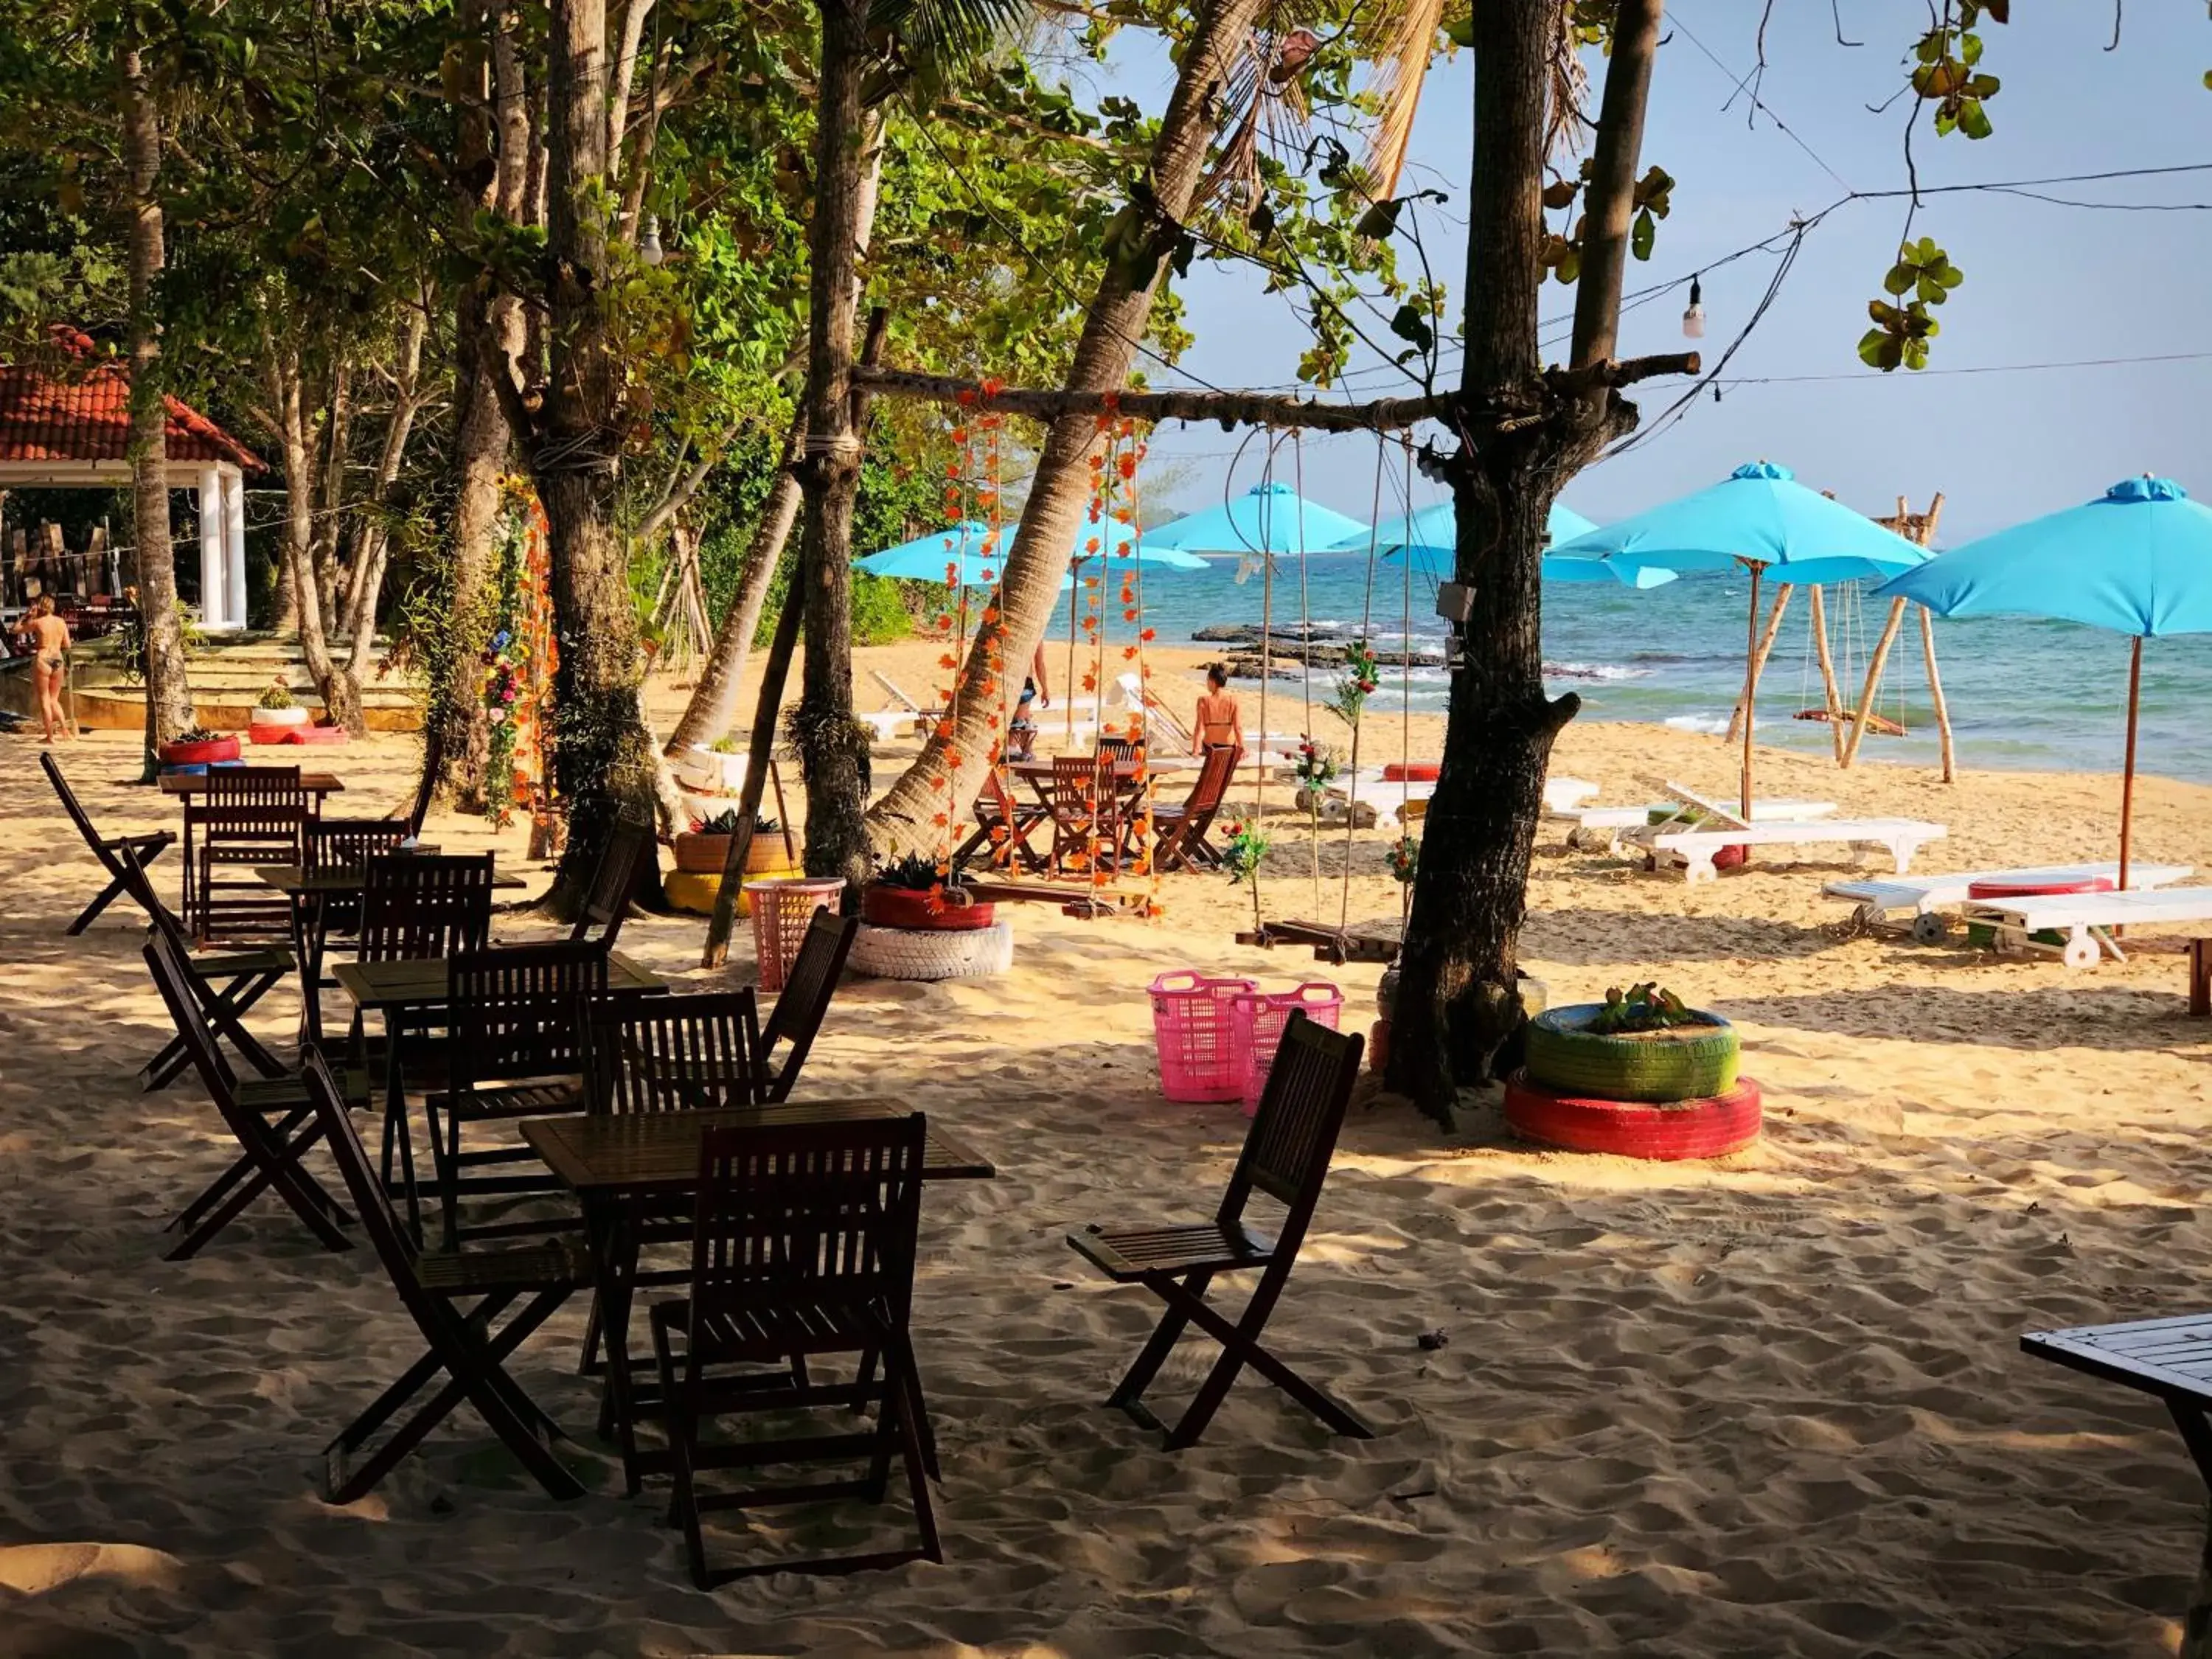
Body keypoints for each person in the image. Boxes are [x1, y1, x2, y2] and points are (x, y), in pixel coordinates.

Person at [24, 595, 72, 743]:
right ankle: (65, 731)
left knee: (45, 699)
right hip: (57, 658)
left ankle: (50, 736)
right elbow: (68, 645)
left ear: (40, 606)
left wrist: (27, 615)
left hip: (44, 657)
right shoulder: (61, 622)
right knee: (54, 699)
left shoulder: (37, 622)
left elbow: (14, 630)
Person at [1007, 644, 1051, 762]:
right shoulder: (1036, 633)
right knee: (1019, 725)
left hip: (1006, 681)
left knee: (1022, 721)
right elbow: (1039, 664)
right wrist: (1045, 689)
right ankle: (1023, 754)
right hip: (1025, 684)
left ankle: (1026, 752)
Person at [1194, 663, 1244, 757]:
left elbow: (1198, 729)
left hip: (1210, 749)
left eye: (1208, 680)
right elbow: (1238, 728)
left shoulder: (1203, 701)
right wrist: (1242, 748)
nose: (1207, 683)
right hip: (1229, 749)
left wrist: (1195, 751)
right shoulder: (1234, 700)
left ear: (1213, 682)